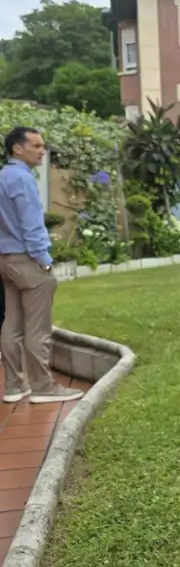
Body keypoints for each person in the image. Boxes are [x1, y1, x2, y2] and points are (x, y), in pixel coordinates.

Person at [0, 127, 82, 404]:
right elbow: (31, 224)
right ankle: (42, 388)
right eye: (36, 145)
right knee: (38, 328)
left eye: (42, 146)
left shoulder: (2, 177)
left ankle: (13, 386)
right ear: (17, 149)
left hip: (6, 261)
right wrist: (45, 262)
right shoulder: (22, 180)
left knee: (12, 323)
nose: (42, 150)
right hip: (27, 260)